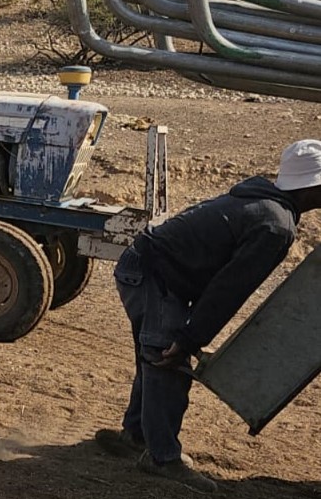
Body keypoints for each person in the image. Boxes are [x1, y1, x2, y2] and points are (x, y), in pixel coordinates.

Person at [95, 139, 321, 492]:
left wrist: (189, 334)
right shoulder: (275, 225)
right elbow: (228, 289)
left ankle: (137, 435)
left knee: (157, 353)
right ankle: (161, 457)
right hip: (154, 274)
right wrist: (190, 338)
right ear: (312, 186)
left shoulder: (262, 199)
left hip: (148, 265)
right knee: (167, 358)